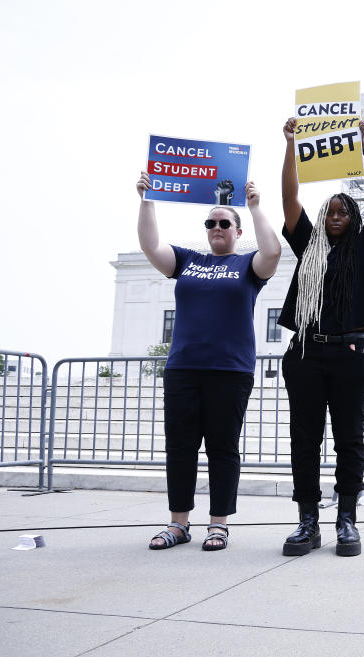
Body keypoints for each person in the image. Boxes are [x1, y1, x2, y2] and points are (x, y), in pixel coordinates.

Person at [137, 173, 281, 551]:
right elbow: (151, 246)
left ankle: (218, 525)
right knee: (180, 447)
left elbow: (273, 253)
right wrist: (146, 199)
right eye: (210, 223)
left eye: (224, 223)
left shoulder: (248, 266)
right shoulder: (187, 260)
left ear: (236, 231)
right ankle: (178, 524)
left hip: (230, 371)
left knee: (222, 447)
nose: (216, 228)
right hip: (183, 368)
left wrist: (254, 206)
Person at [278, 118, 364, 558]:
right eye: (330, 212)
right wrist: (289, 146)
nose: (336, 217)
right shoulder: (308, 245)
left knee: (349, 438)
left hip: (350, 352)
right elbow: (289, 197)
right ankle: (308, 521)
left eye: (343, 212)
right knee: (304, 438)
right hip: (305, 353)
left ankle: (346, 520)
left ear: (354, 218)